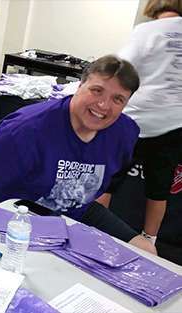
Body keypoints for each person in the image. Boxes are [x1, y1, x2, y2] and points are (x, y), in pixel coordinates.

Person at [0, 55, 156, 254]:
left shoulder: (125, 133)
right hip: (19, 215)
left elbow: (105, 186)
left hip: (76, 213)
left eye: (118, 99)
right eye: (97, 91)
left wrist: (93, 237)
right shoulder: (26, 129)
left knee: (146, 250)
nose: (104, 105)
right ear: (80, 85)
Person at [98, 0, 182, 246]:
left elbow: (121, 69)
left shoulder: (146, 31)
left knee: (109, 180)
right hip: (174, 123)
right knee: (159, 188)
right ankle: (149, 241)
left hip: (136, 120)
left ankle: (93, 231)